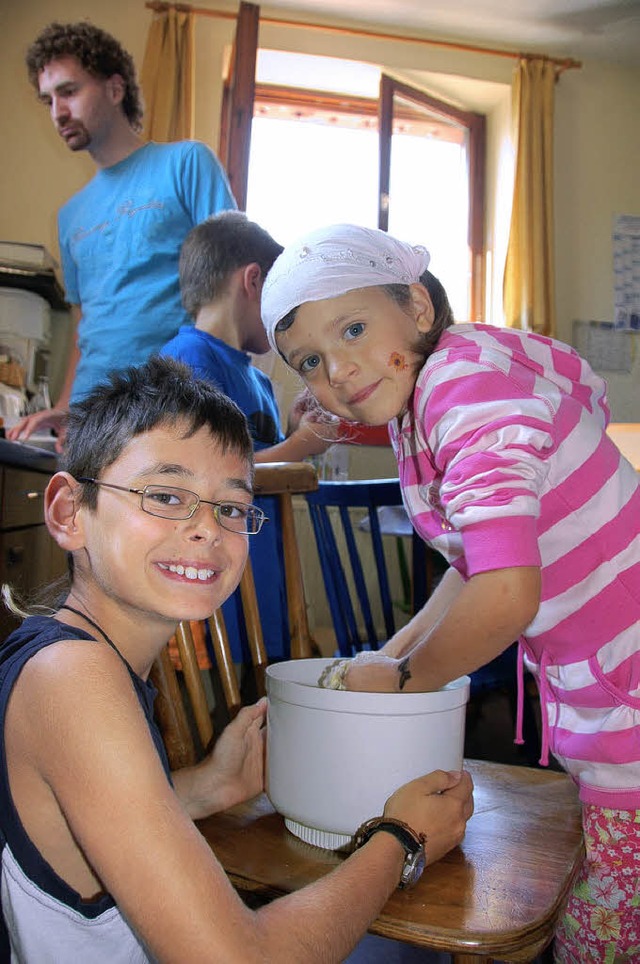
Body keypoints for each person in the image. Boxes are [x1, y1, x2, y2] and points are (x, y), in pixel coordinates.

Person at [0, 355, 474, 962]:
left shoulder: (64, 655)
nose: (207, 529)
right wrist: (400, 839)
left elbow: (75, 822)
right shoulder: (73, 678)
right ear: (69, 512)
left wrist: (201, 788)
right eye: (166, 495)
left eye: (230, 507)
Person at [260, 222, 640, 964]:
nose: (338, 368)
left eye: (356, 327)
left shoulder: (462, 390)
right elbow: (474, 565)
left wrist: (403, 682)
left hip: (628, 700)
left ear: (419, 308)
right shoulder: (431, 397)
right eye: (311, 360)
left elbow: (505, 593)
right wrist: (392, 651)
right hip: (606, 688)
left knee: (601, 930)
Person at [8, 20, 236, 450]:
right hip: (92, 420)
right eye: (48, 99)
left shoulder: (186, 163)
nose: (57, 112)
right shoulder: (69, 214)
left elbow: (233, 286)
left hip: (171, 409)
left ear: (115, 90)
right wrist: (65, 407)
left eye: (69, 92)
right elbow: (84, 329)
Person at [162, 212, 338, 663]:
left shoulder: (257, 381)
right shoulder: (188, 359)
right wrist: (302, 447)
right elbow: (206, 479)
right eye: (279, 300)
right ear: (253, 280)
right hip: (219, 580)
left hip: (264, 570)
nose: (283, 321)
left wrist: (297, 433)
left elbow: (261, 464)